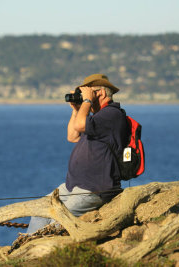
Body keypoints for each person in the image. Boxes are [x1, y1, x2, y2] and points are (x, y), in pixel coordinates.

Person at [27, 73, 129, 233]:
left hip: (94, 189)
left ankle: (42, 254)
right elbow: (72, 136)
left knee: (57, 222)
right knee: (38, 213)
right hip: (72, 186)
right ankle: (27, 249)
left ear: (101, 93)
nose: (83, 96)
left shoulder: (112, 114)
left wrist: (87, 102)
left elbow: (80, 126)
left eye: (88, 92)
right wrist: (76, 109)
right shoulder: (97, 117)